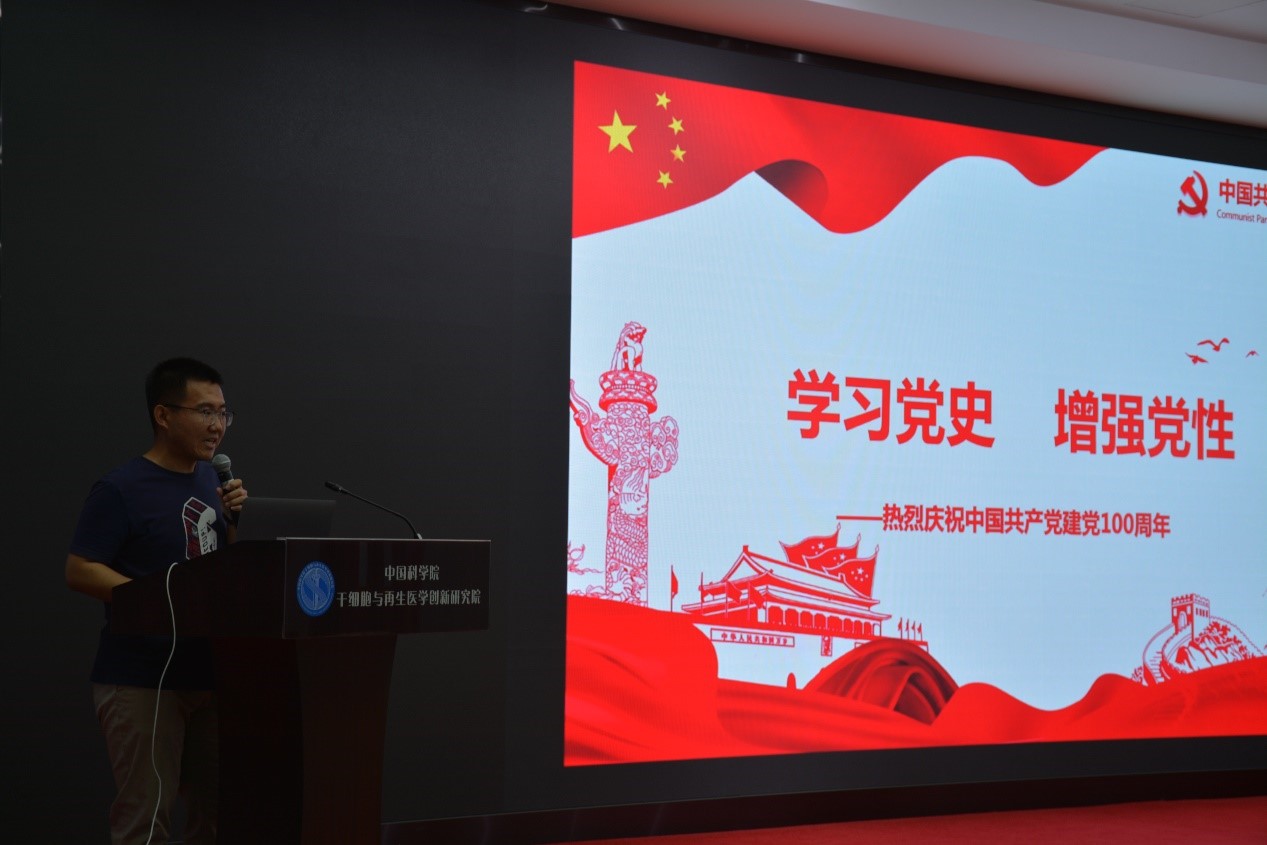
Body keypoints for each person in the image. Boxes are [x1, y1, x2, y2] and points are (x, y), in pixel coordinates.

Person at [66, 357, 248, 845]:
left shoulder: (213, 483)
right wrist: (155, 599)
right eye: (204, 411)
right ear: (163, 415)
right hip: (144, 677)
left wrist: (237, 525)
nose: (217, 425)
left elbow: (221, 570)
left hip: (210, 674)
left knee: (221, 817)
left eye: (223, 413)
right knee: (145, 825)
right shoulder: (121, 488)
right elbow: (80, 569)